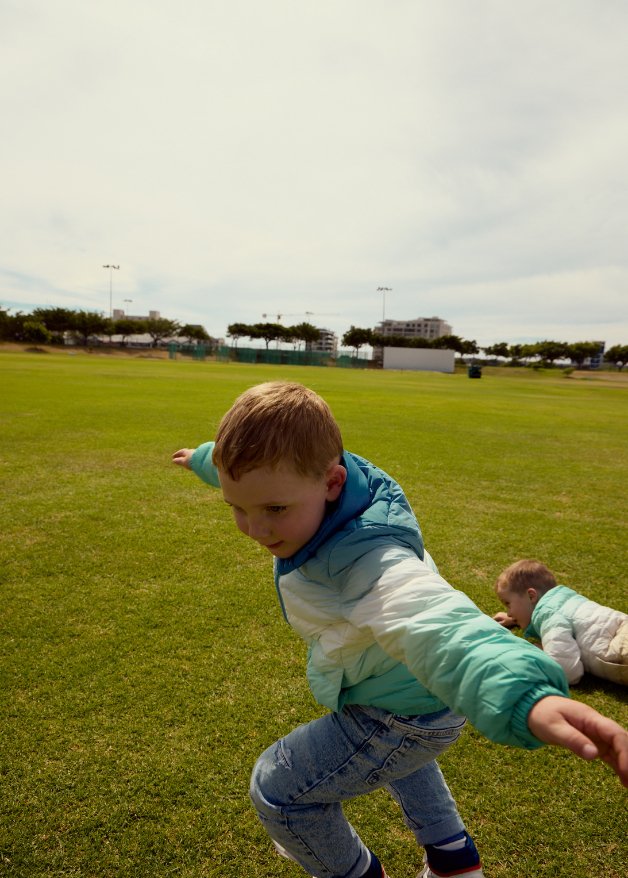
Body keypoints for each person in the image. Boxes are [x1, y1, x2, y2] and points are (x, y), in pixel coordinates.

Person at [173, 382, 628, 878]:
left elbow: (433, 621)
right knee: (406, 763)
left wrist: (526, 696)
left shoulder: (368, 557)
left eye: (275, 510)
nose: (256, 529)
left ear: (330, 482)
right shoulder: (322, 474)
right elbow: (241, 469)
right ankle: (456, 863)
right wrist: (203, 459)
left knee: (278, 790)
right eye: (236, 507)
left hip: (404, 708)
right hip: (418, 695)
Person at [493, 559, 628, 686]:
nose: (509, 612)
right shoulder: (564, 603)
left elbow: (567, 672)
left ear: (531, 596)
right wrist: (514, 619)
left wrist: (540, 651)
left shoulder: (550, 616)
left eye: (508, 604)